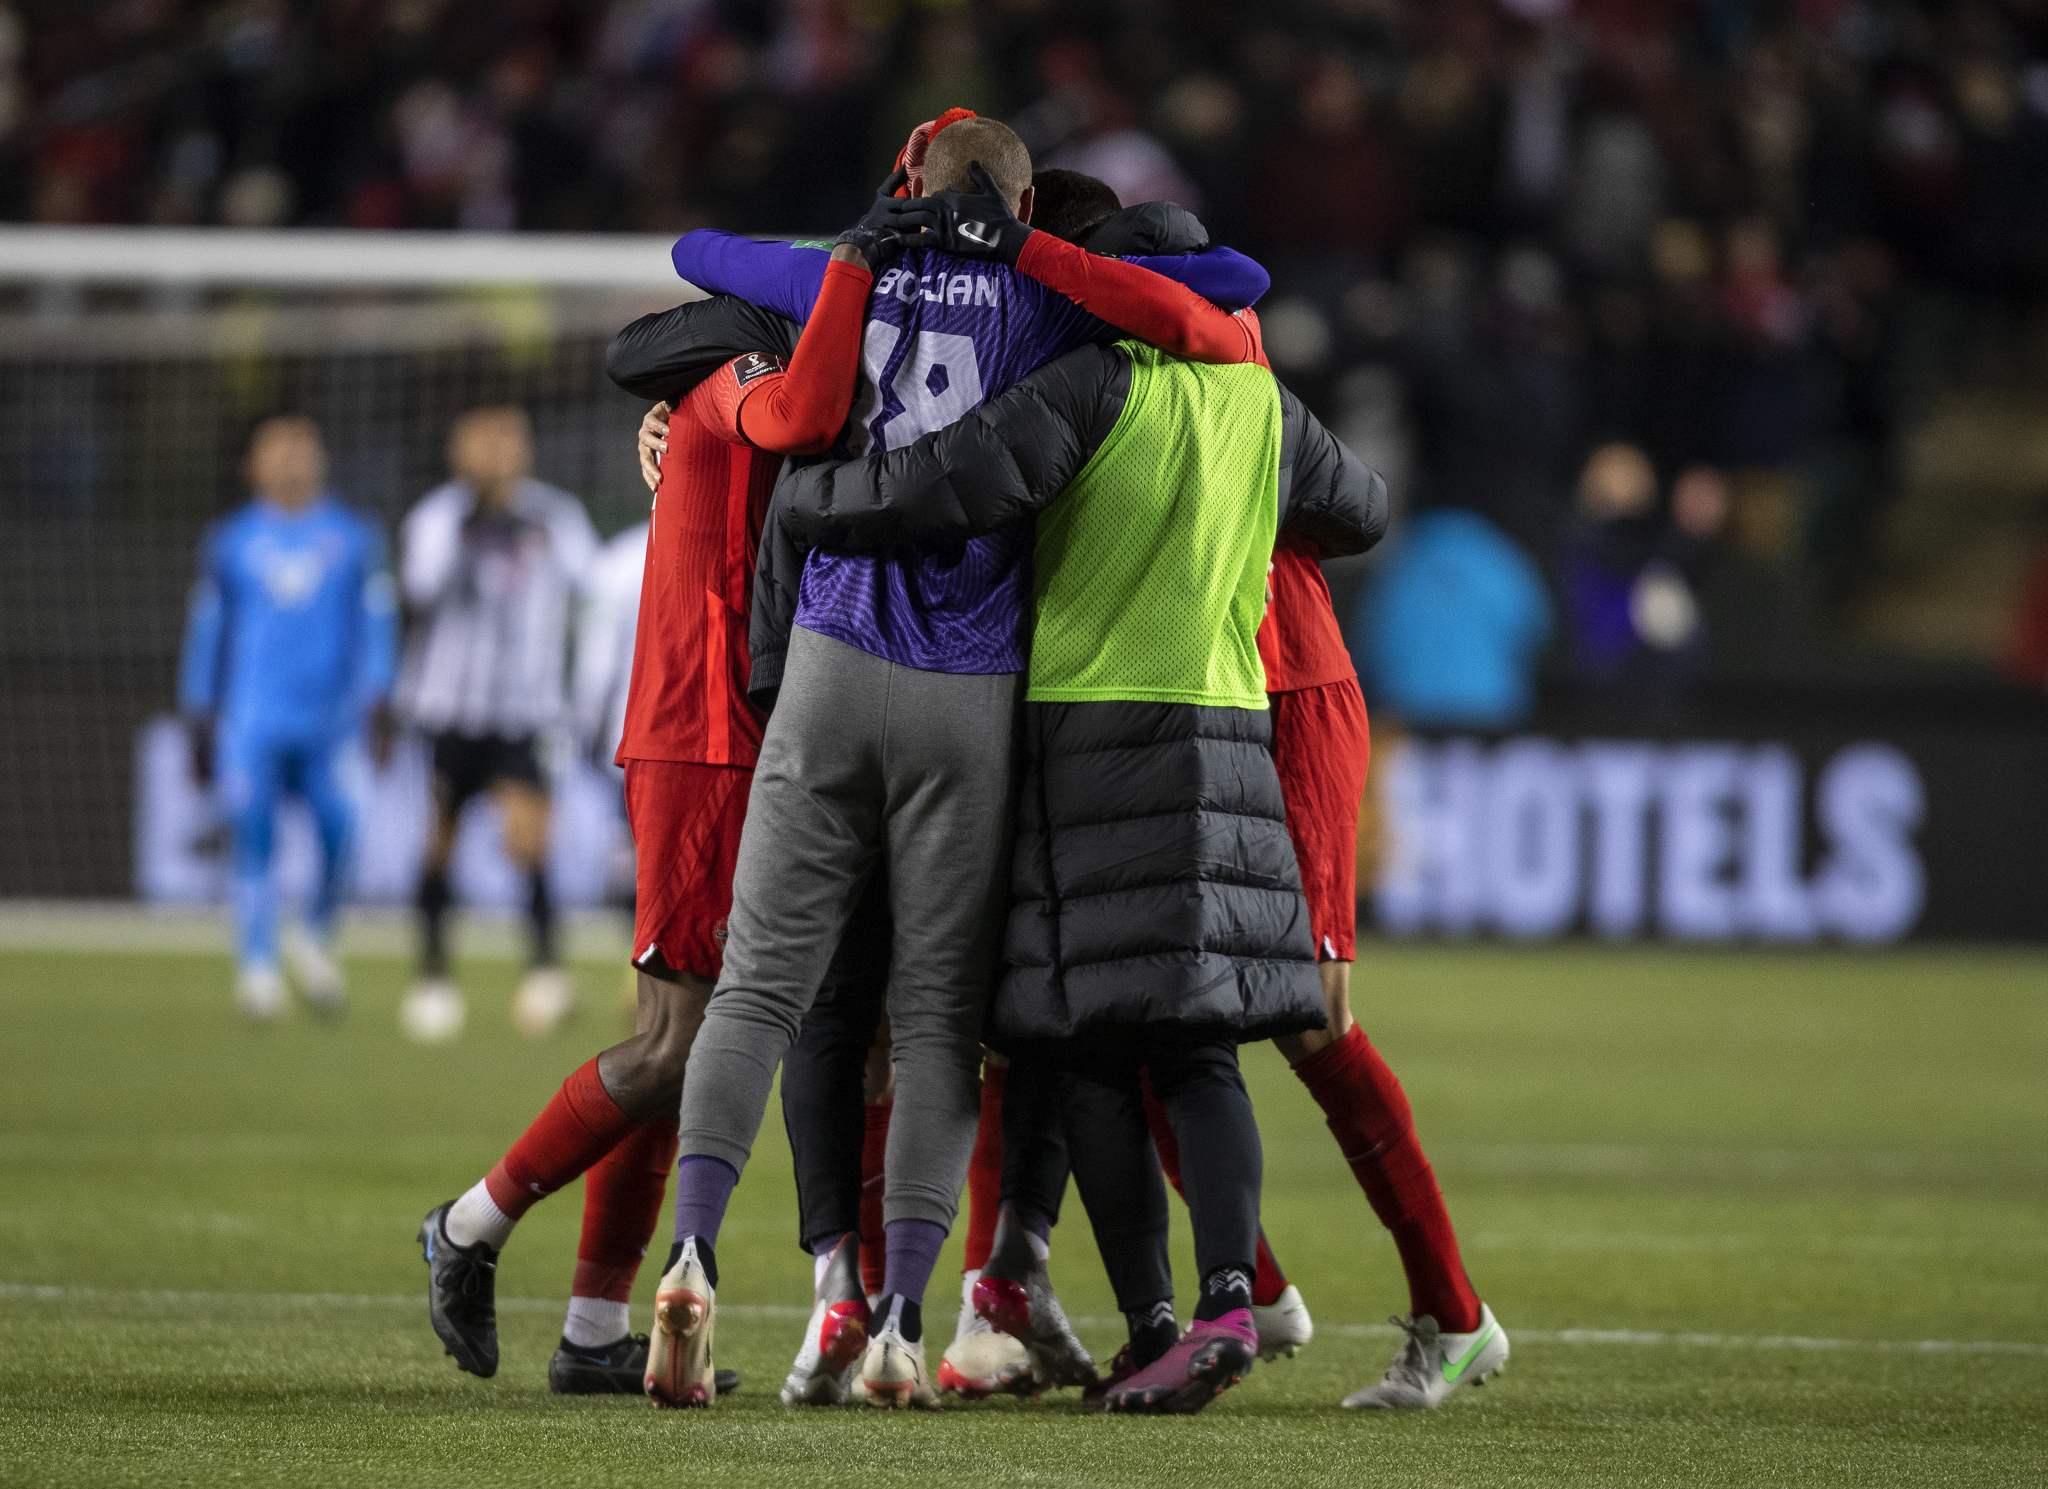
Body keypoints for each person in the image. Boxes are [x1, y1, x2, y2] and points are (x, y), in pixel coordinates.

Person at [651, 115, 1273, 1412]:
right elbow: (1225, 309)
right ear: (1027, 195)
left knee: (763, 990)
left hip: (830, 655)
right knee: (938, 1024)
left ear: (906, 186)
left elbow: (695, 248)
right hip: (972, 692)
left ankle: (697, 1251)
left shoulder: (850, 270)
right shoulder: (1047, 307)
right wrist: (1031, 253)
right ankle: (898, 1321)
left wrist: (859, 248)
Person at [770, 248, 1389, 1409]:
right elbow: (1360, 509)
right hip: (1225, 727)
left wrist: (800, 496)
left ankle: (1154, 1317)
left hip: (1088, 733)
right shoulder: (1257, 394)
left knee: (1095, 1048)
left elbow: (945, 488)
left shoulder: (1092, 384)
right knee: (1199, 1052)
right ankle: (1222, 1303)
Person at [414, 213, 893, 1393]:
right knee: (683, 1039)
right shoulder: (740, 377)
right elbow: (793, 414)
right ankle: (470, 1223)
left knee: (758, 1042)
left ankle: (590, 1333)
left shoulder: (730, 387)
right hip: (705, 744)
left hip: (759, 734)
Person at [177, 414, 396, 1020]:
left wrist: (380, 695)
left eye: (303, 449)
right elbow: (209, 631)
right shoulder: (231, 541)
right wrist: (198, 706)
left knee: (340, 831)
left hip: (330, 726)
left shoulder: (354, 537)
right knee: (253, 838)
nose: (291, 461)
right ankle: (257, 968)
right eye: (277, 450)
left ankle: (316, 938)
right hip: (252, 724)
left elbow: (375, 623)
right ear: (252, 465)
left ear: (321, 459)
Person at [393, 406, 598, 1043]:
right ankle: (431, 977)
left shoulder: (556, 516)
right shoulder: (437, 518)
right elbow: (422, 590)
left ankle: (543, 973)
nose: (498, 452)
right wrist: (473, 525)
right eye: (483, 440)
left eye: (509, 439)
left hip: (522, 713)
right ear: (459, 450)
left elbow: (590, 582)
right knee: (440, 842)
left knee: (532, 841)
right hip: (449, 713)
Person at [1355, 500, 1553, 731]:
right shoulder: (1500, 558)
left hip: (1407, 710)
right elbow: (1538, 631)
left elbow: (1368, 644)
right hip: (1490, 710)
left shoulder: (1398, 562)